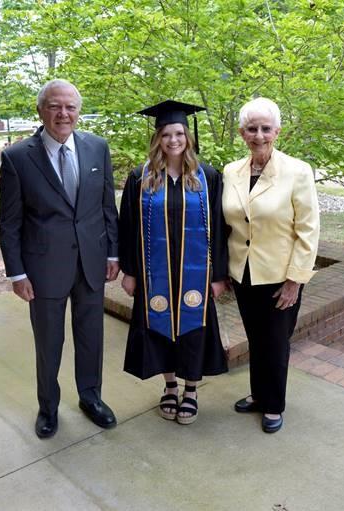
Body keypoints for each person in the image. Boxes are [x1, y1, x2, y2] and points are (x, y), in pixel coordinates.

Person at [0, 79, 119, 438]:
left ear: (78, 112)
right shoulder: (18, 157)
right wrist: (17, 274)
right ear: (41, 110)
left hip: (91, 262)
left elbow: (106, 206)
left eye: (70, 107)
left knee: (90, 336)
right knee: (49, 342)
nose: (63, 114)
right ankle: (48, 406)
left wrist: (113, 252)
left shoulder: (97, 148)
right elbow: (10, 222)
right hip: (43, 268)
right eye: (55, 106)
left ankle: (91, 397)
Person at [119, 100, 228, 425]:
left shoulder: (207, 177)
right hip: (155, 276)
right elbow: (127, 226)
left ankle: (191, 390)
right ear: (157, 139)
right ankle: (169, 385)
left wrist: (219, 276)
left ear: (188, 136)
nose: (173, 140)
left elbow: (222, 229)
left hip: (196, 276)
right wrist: (129, 271)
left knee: (194, 331)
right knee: (159, 329)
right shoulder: (141, 178)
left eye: (179, 133)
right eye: (166, 134)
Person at [222, 97, 320, 433]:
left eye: (266, 128)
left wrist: (296, 279)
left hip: (281, 275)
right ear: (241, 132)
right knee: (255, 337)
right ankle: (257, 394)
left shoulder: (297, 171)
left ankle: (273, 404)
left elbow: (308, 230)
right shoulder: (231, 171)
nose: (259, 135)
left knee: (276, 341)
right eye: (252, 128)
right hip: (244, 273)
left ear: (277, 131)